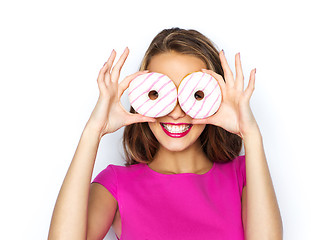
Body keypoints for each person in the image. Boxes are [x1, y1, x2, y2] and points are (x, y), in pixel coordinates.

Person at [48, 27, 283, 239]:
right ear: (141, 97)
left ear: (216, 98)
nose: (176, 112)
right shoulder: (116, 185)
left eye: (195, 94)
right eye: (159, 94)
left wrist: (250, 133)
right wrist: (93, 131)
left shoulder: (243, 175)